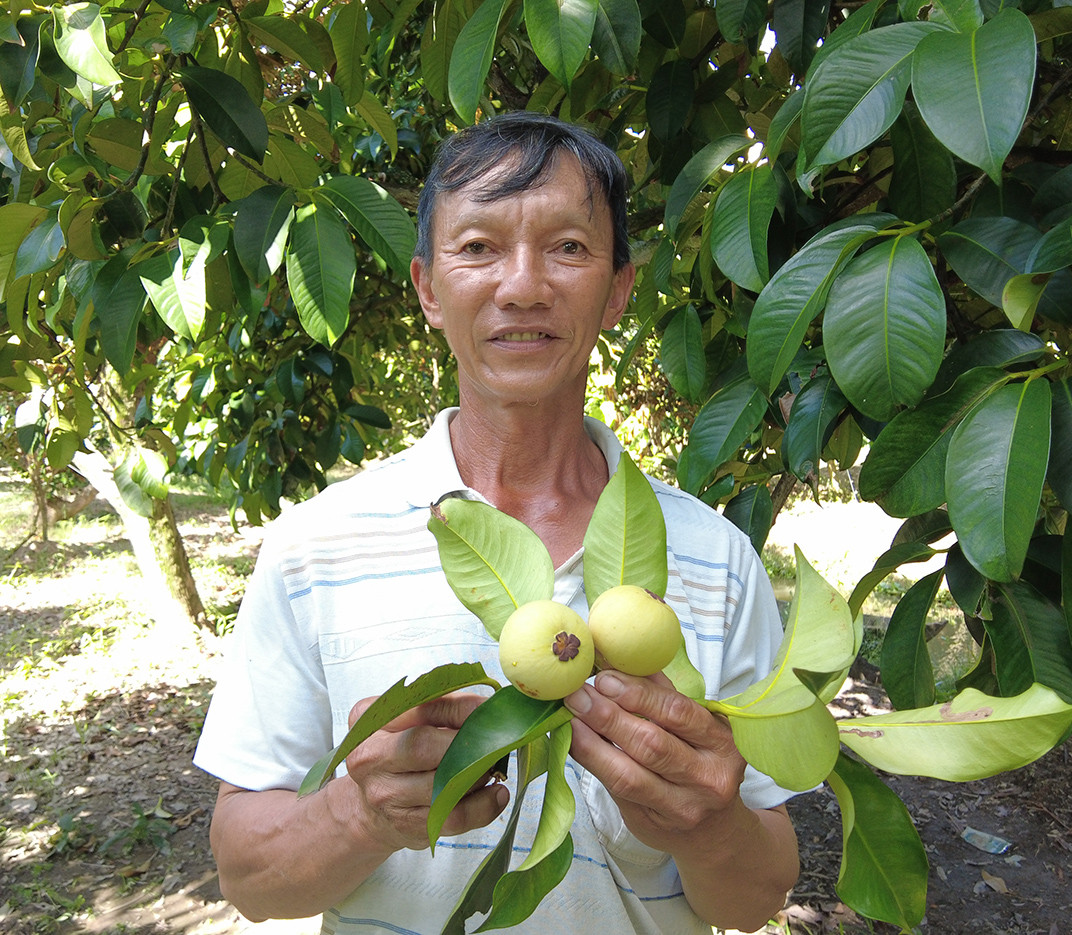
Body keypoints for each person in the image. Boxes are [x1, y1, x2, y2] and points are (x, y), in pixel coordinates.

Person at [193, 111, 801, 935]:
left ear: (618, 291)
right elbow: (250, 877)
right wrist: (358, 814)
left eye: (569, 248)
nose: (522, 285)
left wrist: (710, 825)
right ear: (427, 289)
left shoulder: (717, 560)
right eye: (478, 247)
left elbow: (757, 894)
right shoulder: (315, 547)